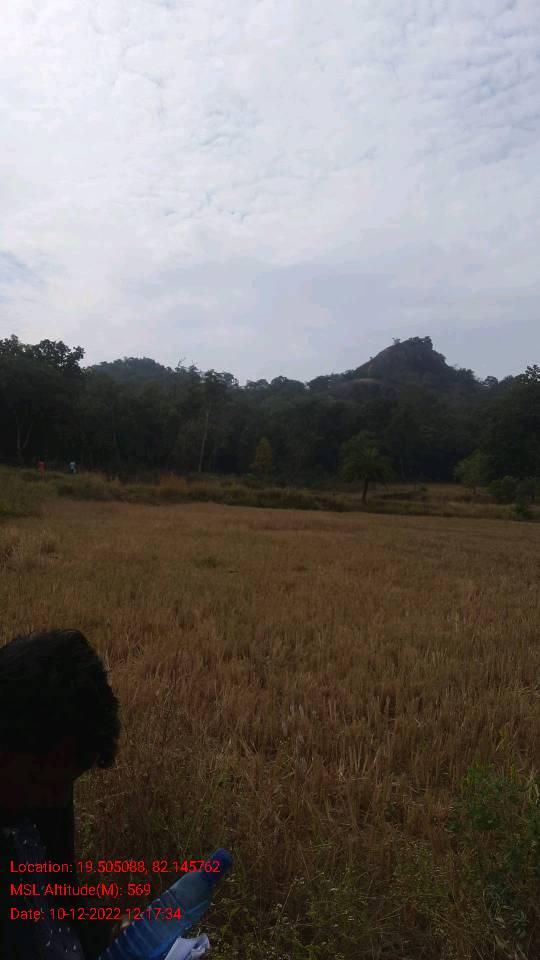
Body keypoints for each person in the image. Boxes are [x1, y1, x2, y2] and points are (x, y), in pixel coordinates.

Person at [0, 630, 126, 959]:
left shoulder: (38, 799)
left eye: (69, 783)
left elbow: (61, 907)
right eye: (47, 783)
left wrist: (118, 932)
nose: (59, 799)